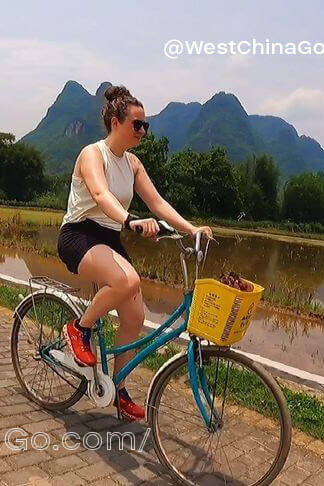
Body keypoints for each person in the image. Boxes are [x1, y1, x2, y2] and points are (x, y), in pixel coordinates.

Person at [56, 85, 213, 422]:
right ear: (116, 122)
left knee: (134, 318)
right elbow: (99, 194)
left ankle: (118, 389)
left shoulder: (133, 163)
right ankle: (79, 329)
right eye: (137, 125)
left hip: (110, 238)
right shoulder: (92, 154)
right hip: (79, 234)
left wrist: (191, 228)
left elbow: (157, 203)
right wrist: (130, 220)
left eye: (146, 126)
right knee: (127, 279)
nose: (143, 131)